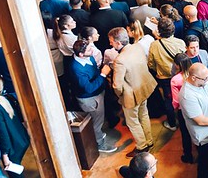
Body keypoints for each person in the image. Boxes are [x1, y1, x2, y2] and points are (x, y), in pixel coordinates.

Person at [110, 28, 157, 157]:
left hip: (130, 95)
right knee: (144, 114)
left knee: (132, 122)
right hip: (143, 88)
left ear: (118, 43)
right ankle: (149, 140)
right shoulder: (138, 47)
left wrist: (120, 95)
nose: (110, 44)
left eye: (111, 41)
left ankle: (142, 146)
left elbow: (117, 85)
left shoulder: (119, 60)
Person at [68, 39, 116, 152]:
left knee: (99, 118)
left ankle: (98, 135)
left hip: (98, 92)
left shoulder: (88, 57)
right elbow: (88, 88)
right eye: (89, 50)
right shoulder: (76, 69)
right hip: (90, 99)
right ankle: (99, 144)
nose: (92, 51)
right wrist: (103, 75)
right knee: (96, 122)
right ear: (81, 54)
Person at [147, 19, 186, 132]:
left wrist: (158, 70)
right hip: (180, 76)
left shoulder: (154, 45)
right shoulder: (180, 42)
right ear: (173, 30)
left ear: (159, 31)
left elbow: (151, 63)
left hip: (164, 77)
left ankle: (172, 123)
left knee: (168, 100)